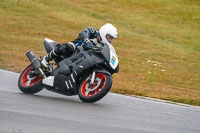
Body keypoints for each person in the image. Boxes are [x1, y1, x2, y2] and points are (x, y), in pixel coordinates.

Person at [41, 23, 118, 68]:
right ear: (104, 33)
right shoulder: (93, 31)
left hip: (81, 60)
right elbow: (83, 33)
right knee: (70, 46)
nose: (111, 40)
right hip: (72, 51)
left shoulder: (103, 46)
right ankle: (46, 58)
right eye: (110, 37)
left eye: (112, 39)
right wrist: (86, 40)